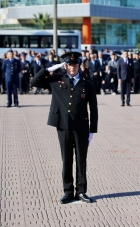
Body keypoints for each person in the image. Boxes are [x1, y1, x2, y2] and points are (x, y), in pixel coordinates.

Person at [30, 52, 98, 204]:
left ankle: (81, 191)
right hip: (63, 126)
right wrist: (49, 69)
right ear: (65, 66)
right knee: (66, 159)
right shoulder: (57, 79)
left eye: (74, 65)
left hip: (81, 127)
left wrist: (92, 130)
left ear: (79, 65)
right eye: (68, 65)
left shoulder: (87, 83)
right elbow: (34, 82)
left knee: (81, 160)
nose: (72, 68)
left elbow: (93, 108)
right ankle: (68, 192)